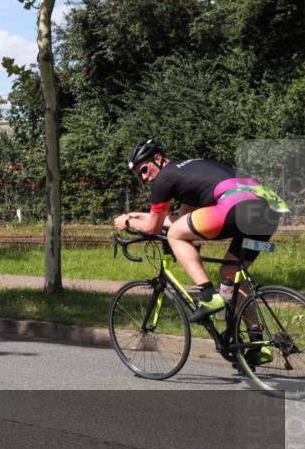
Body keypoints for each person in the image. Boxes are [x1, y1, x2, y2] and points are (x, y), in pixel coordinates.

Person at [114, 139, 286, 361]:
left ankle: (208, 295)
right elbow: (182, 219)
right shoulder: (189, 172)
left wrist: (127, 222)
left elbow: (155, 227)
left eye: (145, 169)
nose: (145, 178)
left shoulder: (164, 179)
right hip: (267, 210)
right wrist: (138, 215)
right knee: (232, 275)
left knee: (176, 234)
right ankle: (258, 344)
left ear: (158, 158)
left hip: (236, 206)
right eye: (140, 175)